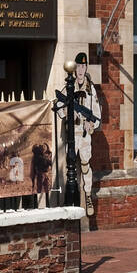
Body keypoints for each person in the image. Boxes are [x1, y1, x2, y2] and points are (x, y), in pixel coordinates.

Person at [56, 52, 101, 216]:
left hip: (84, 135)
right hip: (71, 134)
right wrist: (67, 113)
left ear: (86, 67)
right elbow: (59, 107)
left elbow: (97, 114)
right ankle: (69, 198)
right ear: (74, 69)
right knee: (70, 166)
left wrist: (92, 123)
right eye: (78, 67)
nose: (81, 70)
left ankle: (88, 195)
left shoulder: (91, 90)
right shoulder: (69, 87)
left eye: (83, 66)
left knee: (85, 164)